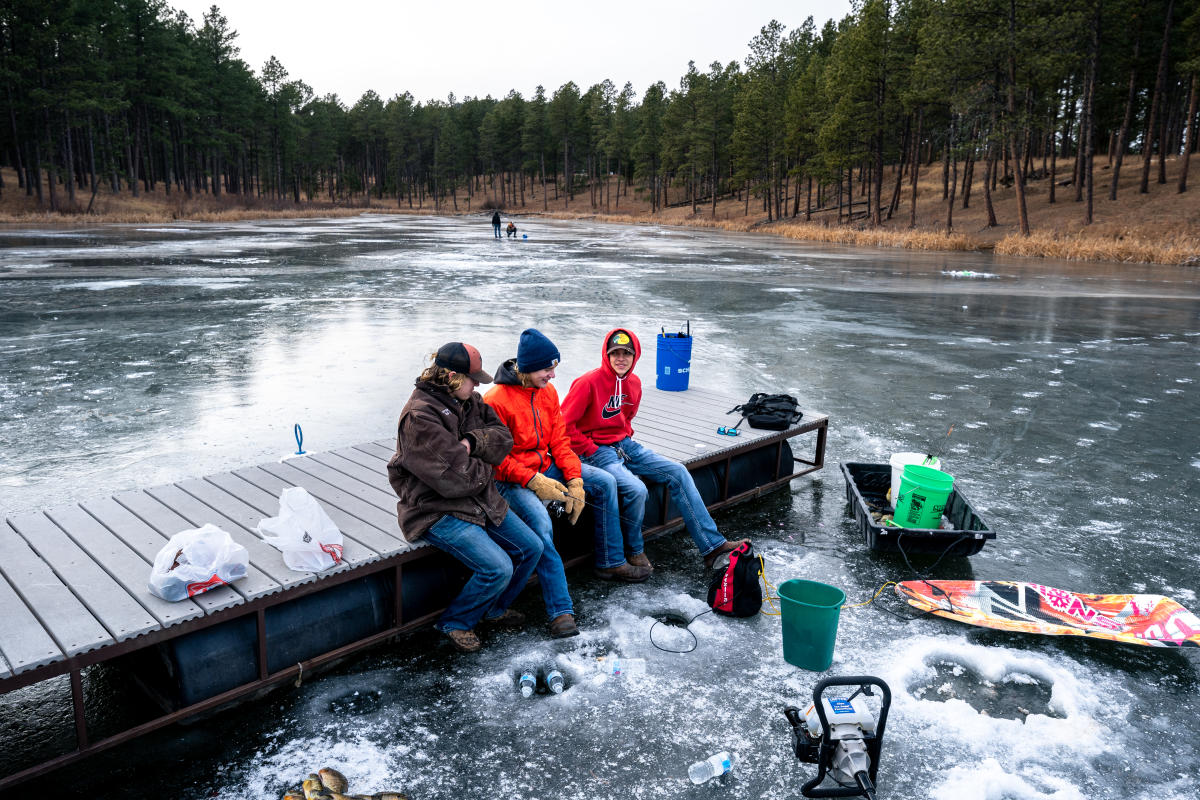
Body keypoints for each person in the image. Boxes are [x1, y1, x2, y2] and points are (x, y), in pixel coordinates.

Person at [387, 342, 543, 653]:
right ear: (453, 377)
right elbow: (453, 479)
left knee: (531, 548)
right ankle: (456, 621)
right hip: (436, 509)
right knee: (498, 568)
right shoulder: (421, 416)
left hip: (479, 498)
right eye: (473, 379)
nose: (477, 386)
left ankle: (493, 608)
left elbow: (503, 438)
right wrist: (488, 467)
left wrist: (472, 441)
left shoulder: (469, 400)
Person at [485, 328, 652, 604]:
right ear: (530, 367)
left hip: (546, 466)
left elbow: (560, 441)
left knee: (604, 482)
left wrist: (574, 479)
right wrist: (534, 481)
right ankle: (559, 608)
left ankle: (611, 561)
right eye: (548, 369)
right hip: (513, 479)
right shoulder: (495, 400)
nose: (553, 375)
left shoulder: (547, 392)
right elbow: (496, 461)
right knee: (541, 522)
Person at [561, 328, 746, 572]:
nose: (620, 358)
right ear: (606, 355)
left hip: (624, 445)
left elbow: (627, 418)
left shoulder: (634, 383)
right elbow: (563, 425)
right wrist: (591, 448)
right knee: (636, 489)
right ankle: (635, 549)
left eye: (626, 353)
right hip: (594, 450)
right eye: (614, 353)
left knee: (678, 471)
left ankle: (712, 546)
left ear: (635, 356)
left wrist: (624, 438)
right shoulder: (587, 383)